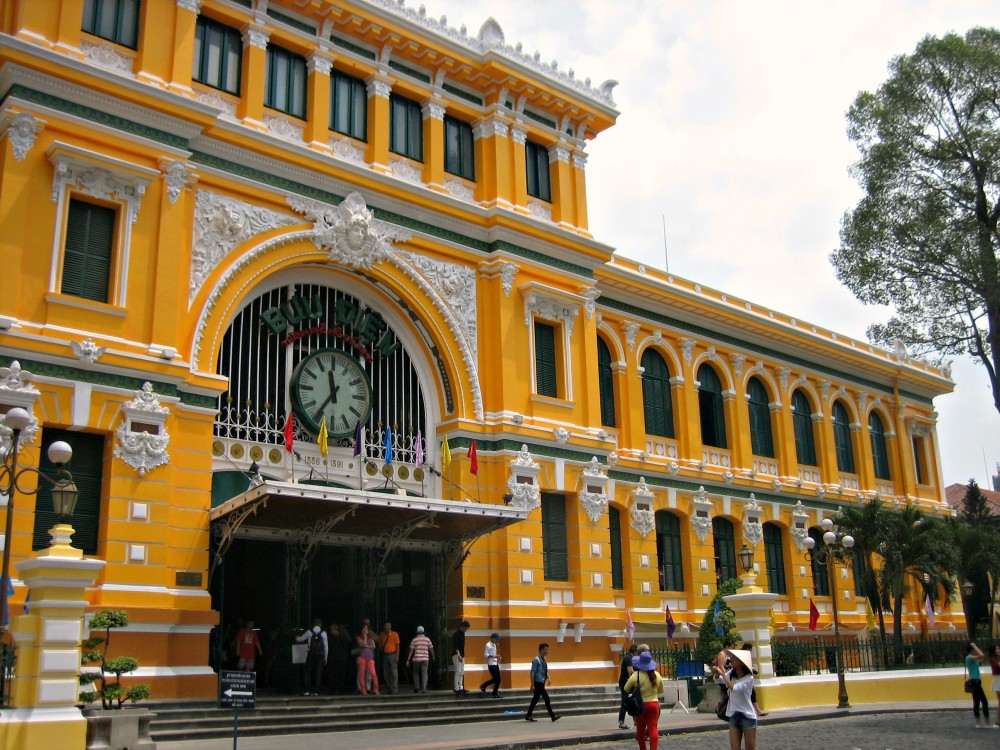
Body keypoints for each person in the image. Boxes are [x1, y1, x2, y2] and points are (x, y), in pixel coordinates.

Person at [713, 648, 757, 750]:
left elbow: (734, 688)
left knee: (750, 748)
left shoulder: (748, 678)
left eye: (734, 659)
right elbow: (720, 680)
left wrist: (723, 673)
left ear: (741, 663)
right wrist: (717, 673)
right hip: (733, 715)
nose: (731, 659)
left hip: (747, 716)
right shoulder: (732, 673)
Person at [622, 651, 664, 750]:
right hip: (654, 704)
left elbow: (626, 688)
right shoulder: (657, 675)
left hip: (640, 706)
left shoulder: (636, 675)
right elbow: (660, 690)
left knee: (640, 730)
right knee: (653, 728)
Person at [524, 642, 560, 722]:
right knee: (546, 698)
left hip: (542, 681)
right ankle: (552, 716)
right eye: (546, 650)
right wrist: (532, 684)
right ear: (541, 650)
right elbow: (532, 673)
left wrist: (548, 677)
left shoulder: (544, 660)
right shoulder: (536, 660)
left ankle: (528, 715)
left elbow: (544, 670)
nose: (547, 651)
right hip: (538, 682)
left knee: (535, 699)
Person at [295, 618, 327, 696]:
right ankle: (316, 691)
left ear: (313, 624)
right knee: (318, 673)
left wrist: (296, 637)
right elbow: (326, 647)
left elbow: (300, 639)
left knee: (307, 672)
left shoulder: (309, 632)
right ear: (320, 624)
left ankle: (307, 690)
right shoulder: (324, 633)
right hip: (320, 655)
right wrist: (325, 658)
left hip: (311, 654)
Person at [966, 641, 990, 727]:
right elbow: (982, 655)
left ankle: (978, 723)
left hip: (976, 681)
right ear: (972, 649)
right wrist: (974, 646)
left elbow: (981, 659)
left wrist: (976, 649)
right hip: (975, 681)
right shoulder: (969, 657)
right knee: (984, 701)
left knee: (976, 702)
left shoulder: (972, 658)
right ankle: (987, 723)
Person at [406, 625, 434, 693]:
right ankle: (424, 688)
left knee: (415, 673)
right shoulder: (427, 639)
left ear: (417, 632)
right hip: (425, 659)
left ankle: (417, 687)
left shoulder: (414, 640)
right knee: (424, 673)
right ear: (423, 632)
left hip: (416, 659)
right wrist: (433, 656)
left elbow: (411, 650)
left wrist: (408, 659)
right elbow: (431, 648)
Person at [617, 643, 638, 729]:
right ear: (635, 651)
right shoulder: (628, 658)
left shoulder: (628, 657)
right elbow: (630, 671)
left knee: (633, 701)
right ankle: (622, 722)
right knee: (626, 702)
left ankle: (636, 721)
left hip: (626, 682)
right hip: (626, 683)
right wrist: (637, 677)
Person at [378, 621, 400, 694]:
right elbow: (380, 643)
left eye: (388, 626)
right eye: (386, 626)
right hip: (385, 655)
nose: (387, 627)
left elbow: (397, 646)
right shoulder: (382, 634)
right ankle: (389, 688)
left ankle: (395, 688)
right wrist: (380, 648)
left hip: (393, 654)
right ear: (384, 627)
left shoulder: (394, 634)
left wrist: (397, 656)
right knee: (386, 673)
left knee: (394, 672)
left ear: (390, 627)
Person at [356, 624, 379, 695]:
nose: (366, 630)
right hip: (362, 658)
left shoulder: (371, 638)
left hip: (370, 658)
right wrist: (365, 636)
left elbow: (374, 646)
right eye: (364, 628)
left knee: (373, 674)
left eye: (367, 629)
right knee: (361, 675)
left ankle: (376, 689)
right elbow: (362, 644)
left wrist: (366, 645)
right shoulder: (359, 637)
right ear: (361, 629)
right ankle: (363, 690)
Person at [480, 632, 502, 697]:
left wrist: (497, 658)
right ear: (492, 638)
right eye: (496, 639)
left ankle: (494, 693)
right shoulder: (488, 645)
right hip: (491, 664)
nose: (497, 640)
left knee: (498, 680)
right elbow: (485, 655)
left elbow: (494, 654)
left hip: (495, 663)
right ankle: (483, 685)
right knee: (496, 679)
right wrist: (494, 656)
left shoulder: (494, 645)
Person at [452, 620, 470, 695]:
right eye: (465, 629)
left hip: (462, 654)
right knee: (458, 671)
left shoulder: (462, 634)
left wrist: (462, 655)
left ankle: (461, 687)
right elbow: (456, 645)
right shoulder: (456, 634)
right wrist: (458, 654)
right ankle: (456, 688)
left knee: (462, 671)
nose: (466, 630)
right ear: (462, 627)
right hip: (457, 655)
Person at [990, 645, 1000, 727]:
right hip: (998, 679)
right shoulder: (992, 659)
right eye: (996, 648)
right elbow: (997, 667)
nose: (998, 650)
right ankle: (997, 721)